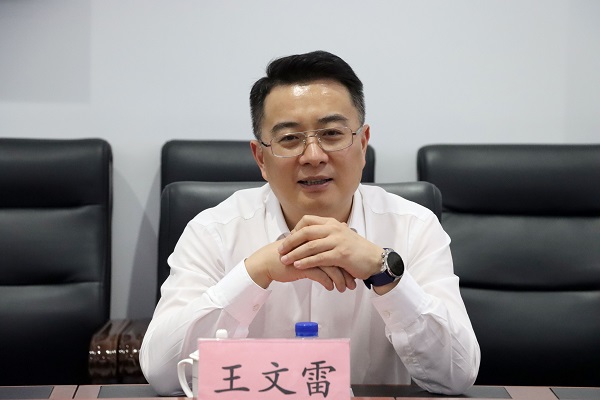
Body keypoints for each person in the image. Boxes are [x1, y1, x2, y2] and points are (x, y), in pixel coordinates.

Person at [140, 50, 480, 395]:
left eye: (331, 133)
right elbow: (163, 374)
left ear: (362, 144)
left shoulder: (413, 227)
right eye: (290, 138)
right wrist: (254, 273)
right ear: (261, 158)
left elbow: (457, 375)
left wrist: (383, 272)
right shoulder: (214, 231)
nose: (313, 156)